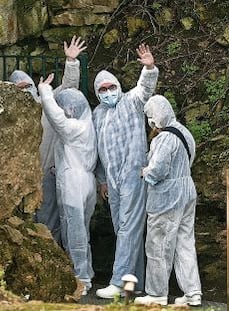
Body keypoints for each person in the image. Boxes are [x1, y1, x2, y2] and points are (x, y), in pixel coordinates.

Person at [93, 44, 159, 298]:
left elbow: (146, 89)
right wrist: (102, 181)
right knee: (126, 228)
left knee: (129, 228)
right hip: (113, 180)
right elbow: (98, 152)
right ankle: (136, 283)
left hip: (134, 175)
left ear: (118, 86)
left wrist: (149, 67)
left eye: (111, 87)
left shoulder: (130, 101)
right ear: (97, 93)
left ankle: (119, 282)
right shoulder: (98, 114)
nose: (108, 92)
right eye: (103, 89)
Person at [9, 36, 87, 245]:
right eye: (18, 88)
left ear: (34, 87)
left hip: (47, 174)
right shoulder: (8, 116)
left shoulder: (47, 104)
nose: (24, 91)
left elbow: (69, 87)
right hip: (19, 179)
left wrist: (71, 62)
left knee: (50, 223)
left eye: (27, 86)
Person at [134, 95, 202, 306]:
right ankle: (193, 293)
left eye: (150, 116)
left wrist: (144, 172)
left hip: (167, 196)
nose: (150, 121)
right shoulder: (184, 132)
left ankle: (156, 294)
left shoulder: (164, 138)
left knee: (158, 244)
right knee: (185, 243)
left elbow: (158, 170)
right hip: (187, 192)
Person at [38, 74, 97, 295]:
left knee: (75, 234)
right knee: (82, 232)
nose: (65, 109)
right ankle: (86, 273)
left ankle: (80, 279)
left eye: (67, 106)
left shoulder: (74, 128)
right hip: (86, 182)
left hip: (74, 185)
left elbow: (56, 119)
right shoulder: (87, 124)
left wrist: (44, 91)